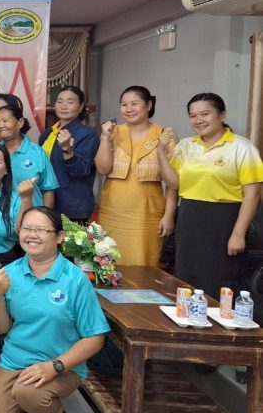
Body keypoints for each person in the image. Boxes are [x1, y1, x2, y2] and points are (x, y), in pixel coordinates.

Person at [0, 207, 109, 413]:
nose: (32, 235)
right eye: (26, 229)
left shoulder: (74, 280)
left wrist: (54, 367)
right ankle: (31, 402)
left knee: (29, 393)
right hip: (15, 361)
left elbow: (95, 338)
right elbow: (0, 328)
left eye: (40, 230)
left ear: (59, 237)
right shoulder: (8, 274)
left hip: (60, 365)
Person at [158, 93, 263, 299]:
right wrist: (161, 152)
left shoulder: (242, 147)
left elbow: (253, 194)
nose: (198, 120)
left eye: (205, 114)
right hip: (189, 218)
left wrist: (238, 233)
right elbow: (174, 185)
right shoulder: (185, 146)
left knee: (221, 278)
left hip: (225, 221)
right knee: (186, 277)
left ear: (222, 115)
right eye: (193, 115)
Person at [95, 86, 177, 267]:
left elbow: (173, 183)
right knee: (108, 262)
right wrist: (105, 138)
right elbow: (102, 168)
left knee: (143, 264)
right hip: (112, 211)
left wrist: (169, 215)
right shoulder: (113, 132)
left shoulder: (165, 135)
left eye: (134, 103)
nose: (128, 109)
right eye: (124, 104)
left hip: (147, 213)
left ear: (149, 105)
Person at [38, 86, 99, 223]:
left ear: (81, 106)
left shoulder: (87, 134)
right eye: (59, 101)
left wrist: (67, 150)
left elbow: (81, 170)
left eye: (70, 102)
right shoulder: (47, 134)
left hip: (72, 205)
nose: (63, 106)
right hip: (46, 202)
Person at [0, 105, 58, 208]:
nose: (0, 125)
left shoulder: (37, 153)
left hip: (30, 215)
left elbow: (48, 190)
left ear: (20, 123)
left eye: (5, 121)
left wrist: (45, 215)